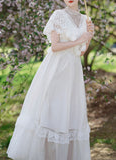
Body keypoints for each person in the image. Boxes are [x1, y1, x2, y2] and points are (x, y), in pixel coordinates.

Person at [6, 0, 94, 159]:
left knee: (68, 109)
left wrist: (89, 37)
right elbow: (55, 46)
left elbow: (81, 52)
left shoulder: (85, 20)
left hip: (73, 69)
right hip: (56, 67)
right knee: (52, 108)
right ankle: (44, 153)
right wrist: (80, 39)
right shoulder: (58, 15)